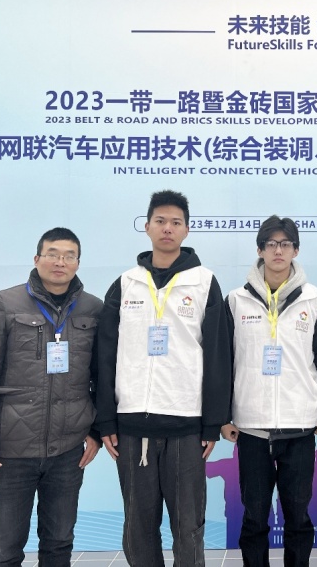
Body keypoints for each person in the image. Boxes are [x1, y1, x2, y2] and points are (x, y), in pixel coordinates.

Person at [95, 190, 232, 567]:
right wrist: (106, 419)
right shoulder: (126, 283)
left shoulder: (204, 283)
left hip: (187, 427)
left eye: (175, 222)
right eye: (160, 221)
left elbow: (218, 356)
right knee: (138, 527)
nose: (167, 228)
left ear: (186, 229)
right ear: (147, 227)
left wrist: (212, 423)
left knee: (188, 527)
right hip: (132, 425)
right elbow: (104, 355)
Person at [0, 227, 103, 567]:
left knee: (59, 545)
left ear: (78, 263)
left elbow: (104, 376)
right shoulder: (5, 303)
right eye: (53, 254)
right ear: (37, 258)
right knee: (3, 551)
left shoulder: (93, 309)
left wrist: (97, 430)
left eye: (69, 256)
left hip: (67, 452)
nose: (60, 262)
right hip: (10, 453)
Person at [223, 215, 317, 566]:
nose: (278, 250)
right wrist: (223, 417)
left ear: (296, 250)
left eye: (286, 244)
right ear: (260, 250)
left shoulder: (314, 300)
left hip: (299, 427)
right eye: (271, 244)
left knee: (298, 517)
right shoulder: (236, 301)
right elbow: (223, 363)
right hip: (251, 428)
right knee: (254, 517)